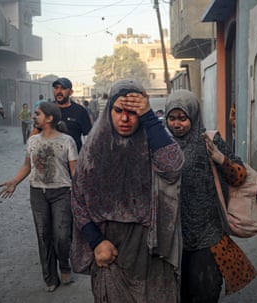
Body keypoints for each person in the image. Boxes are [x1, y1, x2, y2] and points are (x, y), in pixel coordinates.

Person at [71, 79, 184, 302]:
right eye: (118, 110)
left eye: (132, 112)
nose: (124, 118)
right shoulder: (93, 149)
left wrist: (149, 118)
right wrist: (96, 241)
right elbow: (77, 200)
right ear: (109, 111)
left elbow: (172, 168)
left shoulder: (152, 142)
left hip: (150, 245)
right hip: (108, 245)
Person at [164, 89, 256, 302]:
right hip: (174, 236)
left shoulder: (209, 141)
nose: (177, 124)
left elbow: (239, 177)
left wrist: (219, 157)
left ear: (194, 116)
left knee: (206, 290)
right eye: (172, 118)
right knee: (177, 293)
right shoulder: (162, 146)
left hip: (208, 233)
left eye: (183, 118)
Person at [0, 102, 78, 292]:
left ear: (50, 118)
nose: (34, 117)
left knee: (61, 236)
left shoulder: (67, 141)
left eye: (37, 113)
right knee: (44, 236)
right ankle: (50, 278)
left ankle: (64, 264)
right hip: (38, 193)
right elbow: (27, 166)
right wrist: (14, 182)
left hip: (62, 192)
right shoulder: (33, 140)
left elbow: (74, 171)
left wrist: (81, 194)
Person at [52, 77, 92, 152]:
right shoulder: (46, 109)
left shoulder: (80, 111)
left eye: (63, 88)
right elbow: (35, 135)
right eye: (56, 88)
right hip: (50, 160)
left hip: (74, 159)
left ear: (71, 92)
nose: (59, 91)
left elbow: (89, 138)